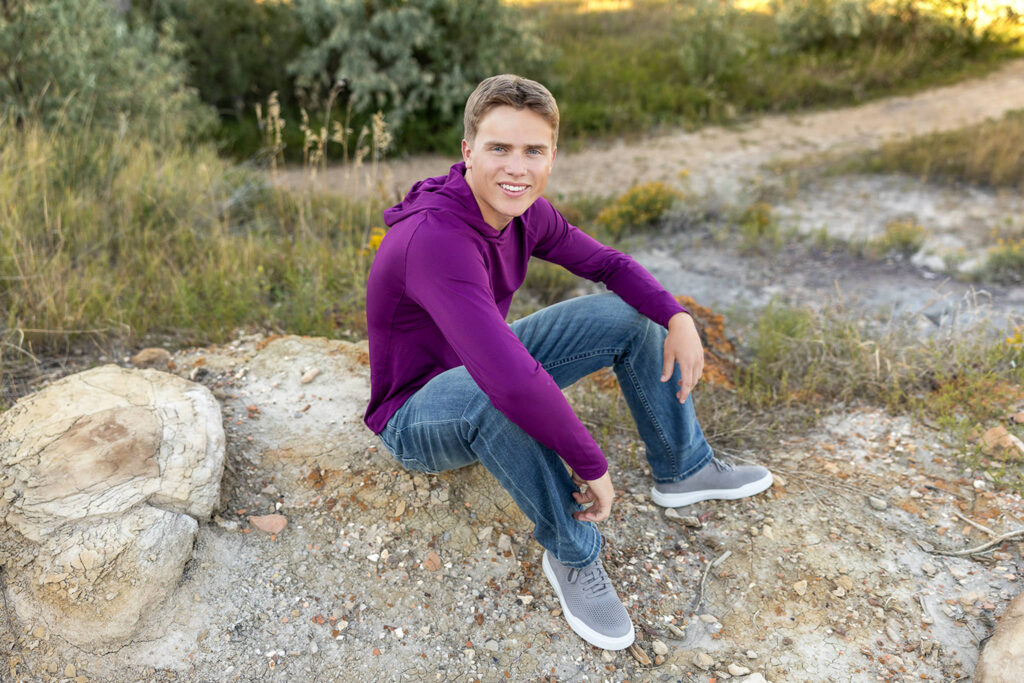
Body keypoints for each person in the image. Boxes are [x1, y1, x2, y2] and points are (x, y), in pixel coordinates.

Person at [363, 74, 773, 651]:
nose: (517, 167)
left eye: (534, 151)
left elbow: (608, 264)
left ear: (552, 156)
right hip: (417, 417)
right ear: (467, 152)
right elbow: (506, 380)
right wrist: (590, 462)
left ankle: (684, 468)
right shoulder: (434, 238)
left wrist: (676, 317)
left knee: (626, 315)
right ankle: (573, 553)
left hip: (485, 369)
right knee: (497, 392)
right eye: (499, 148)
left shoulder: (525, 212)